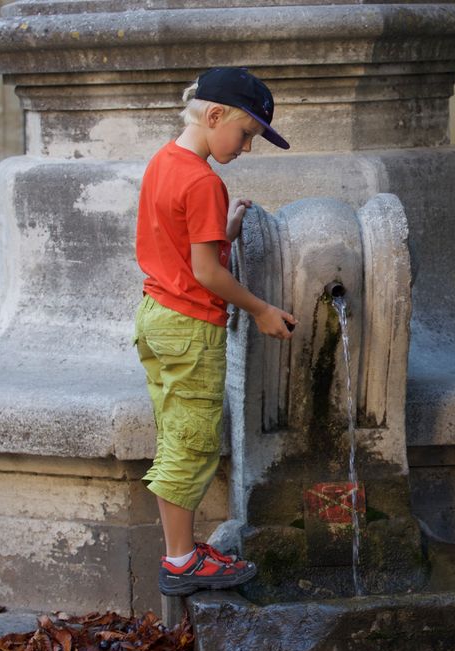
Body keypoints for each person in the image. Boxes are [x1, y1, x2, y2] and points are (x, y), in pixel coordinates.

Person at [133, 67, 296, 597]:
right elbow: (205, 274)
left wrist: (222, 230)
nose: (246, 148)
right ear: (214, 114)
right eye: (246, 134)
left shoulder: (165, 161)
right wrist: (261, 309)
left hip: (156, 316)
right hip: (189, 326)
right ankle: (180, 561)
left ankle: (181, 551)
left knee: (175, 435)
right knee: (193, 444)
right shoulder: (204, 180)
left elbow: (180, 242)